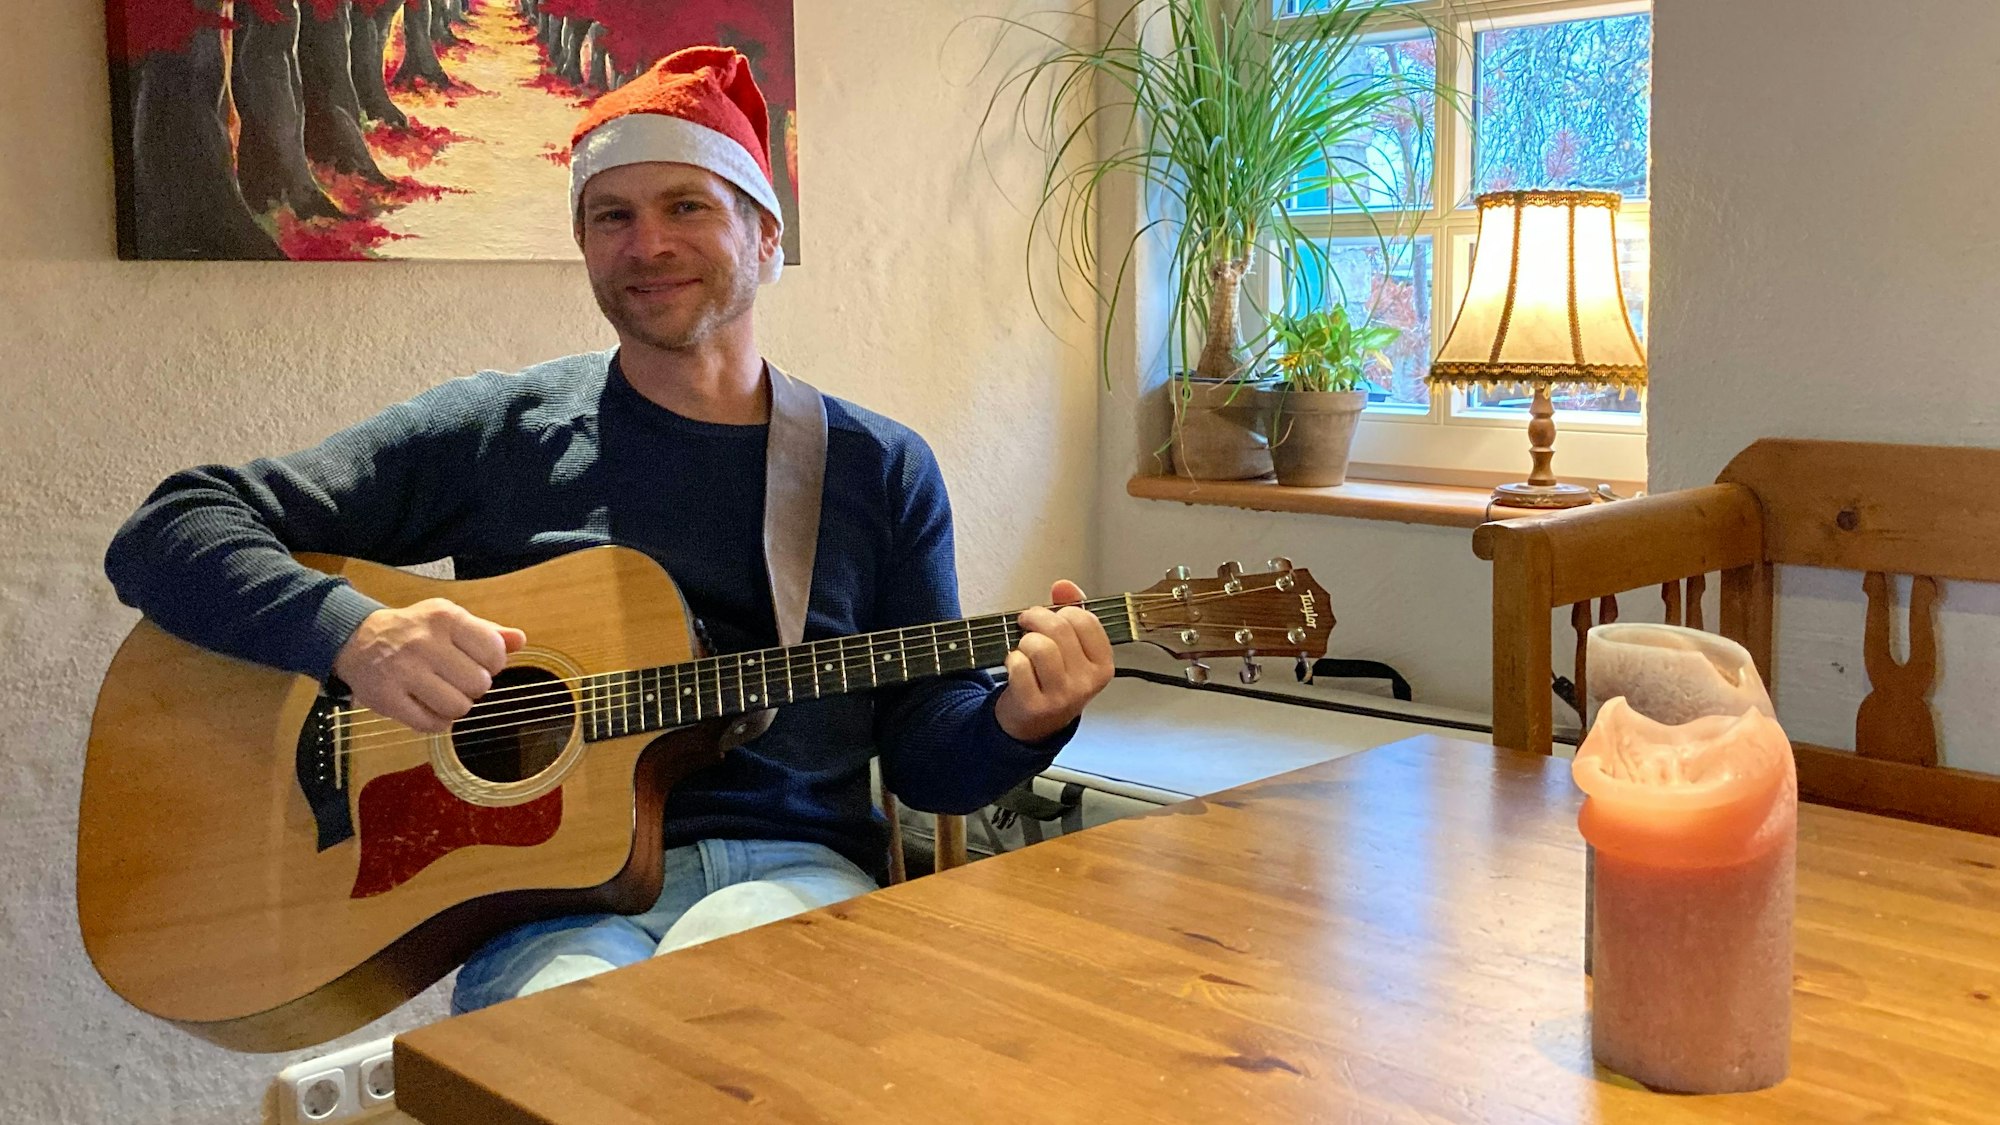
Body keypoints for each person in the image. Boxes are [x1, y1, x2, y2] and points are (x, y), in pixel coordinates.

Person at [103, 45, 1114, 1014]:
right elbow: (172, 527)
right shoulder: (499, 432)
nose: (647, 245)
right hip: (540, 906)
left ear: (765, 236)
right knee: (594, 1049)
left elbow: (927, 759)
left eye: (687, 207)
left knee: (723, 1025)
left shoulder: (876, 467)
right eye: (610, 216)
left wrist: (1023, 718)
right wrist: (354, 635)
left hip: (793, 874)